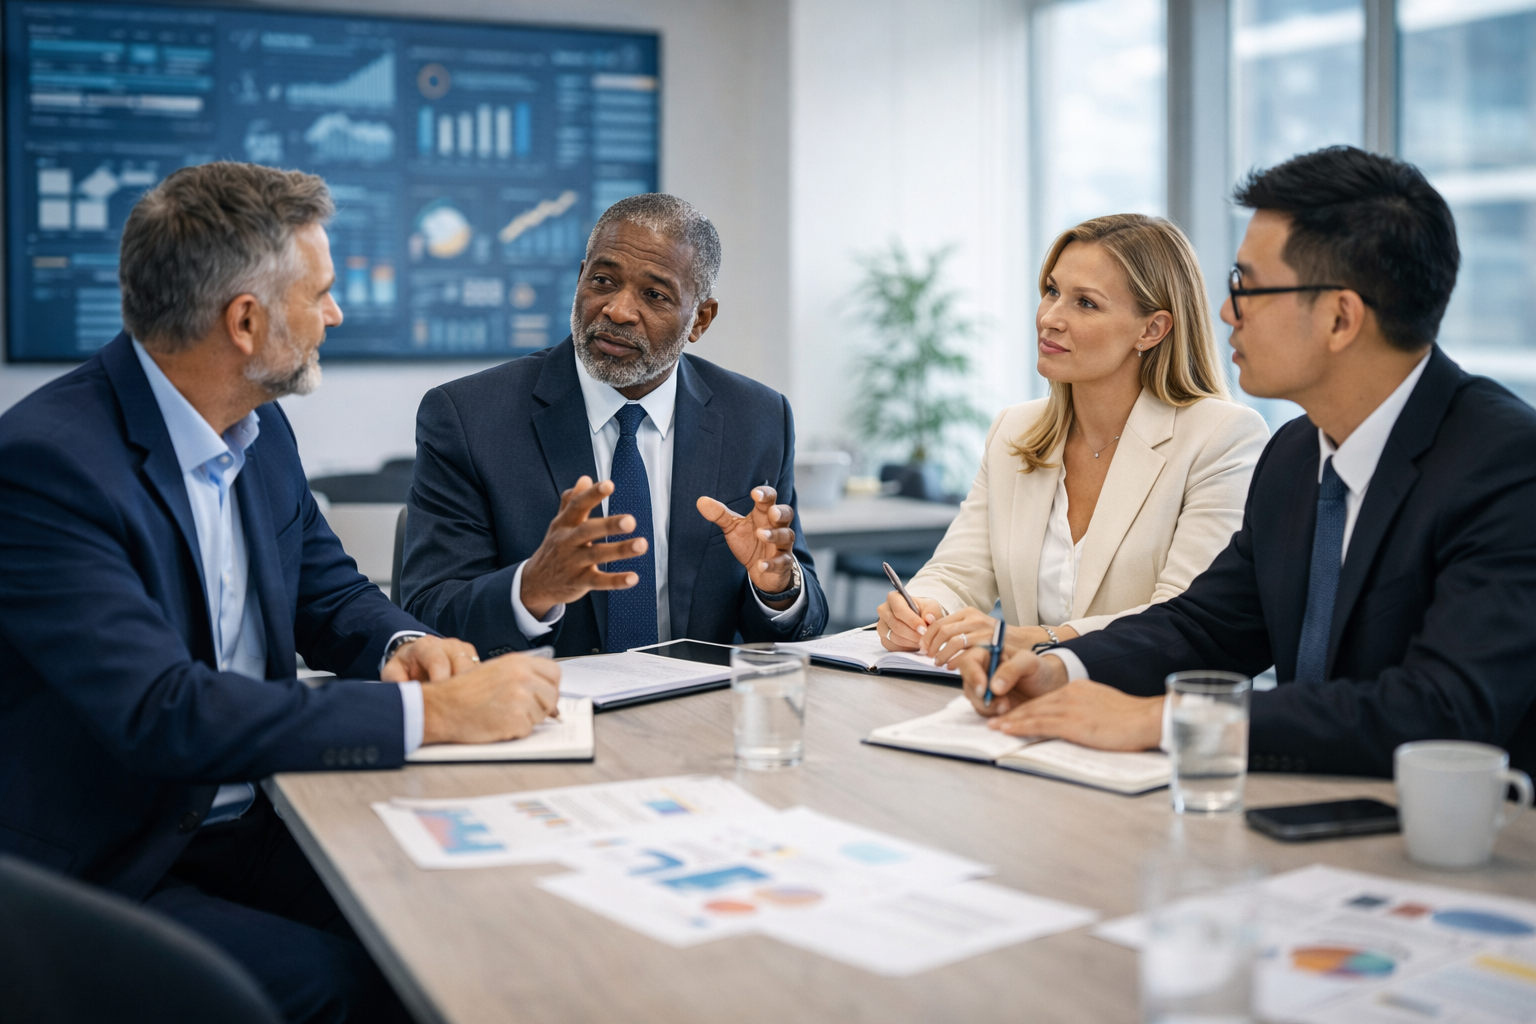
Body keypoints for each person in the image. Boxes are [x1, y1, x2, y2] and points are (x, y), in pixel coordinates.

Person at [0, 162, 561, 1023]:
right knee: (350, 985)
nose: (334, 314)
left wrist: (406, 648)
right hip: (115, 864)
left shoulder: (259, 429)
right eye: (322, 293)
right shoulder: (48, 464)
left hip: (262, 822)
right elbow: (164, 712)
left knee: (473, 918)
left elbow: (331, 596)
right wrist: (435, 718)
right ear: (246, 321)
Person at [958, 146, 1536, 778]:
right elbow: (1206, 628)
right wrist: (1059, 668)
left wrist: (1163, 721)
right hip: (1296, 814)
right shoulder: (1294, 454)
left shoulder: (1505, 465)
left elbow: (1441, 710)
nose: (1228, 312)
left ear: (1341, 317)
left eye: (1248, 288)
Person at [402, 193, 828, 657]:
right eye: (603, 280)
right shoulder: (469, 417)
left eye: (654, 295)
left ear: (699, 320)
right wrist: (532, 588)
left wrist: (776, 589)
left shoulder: (758, 418)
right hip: (548, 711)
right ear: (580, 277)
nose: (618, 310)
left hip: (698, 712)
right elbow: (427, 616)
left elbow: (797, 622)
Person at [878, 215, 1268, 668]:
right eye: (1051, 291)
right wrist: (924, 608)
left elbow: (1185, 617)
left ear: (1152, 329)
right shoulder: (1014, 431)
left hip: (1144, 714)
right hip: (1018, 709)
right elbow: (959, 572)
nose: (1050, 318)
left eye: (1085, 303)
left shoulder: (1221, 437)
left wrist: (1035, 640)